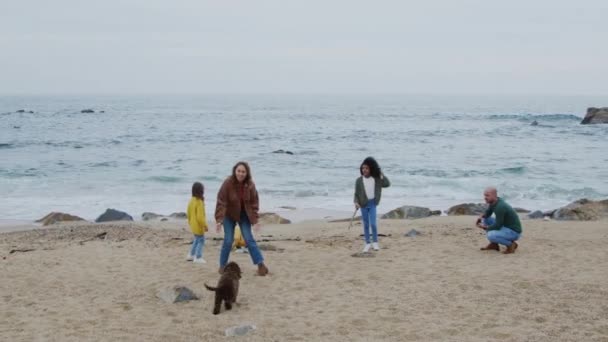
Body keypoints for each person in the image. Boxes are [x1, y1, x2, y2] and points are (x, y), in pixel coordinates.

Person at [215, 161, 269, 276]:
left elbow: (254, 203)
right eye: (239, 171)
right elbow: (221, 201)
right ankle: (222, 266)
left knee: (249, 239)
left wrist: (255, 221)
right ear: (235, 171)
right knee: (228, 240)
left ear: (247, 173)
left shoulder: (250, 184)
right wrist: (219, 220)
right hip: (229, 215)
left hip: (244, 215)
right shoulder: (228, 183)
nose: (240, 174)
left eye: (243, 172)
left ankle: (261, 266)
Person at [353, 157, 391, 252]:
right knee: (366, 225)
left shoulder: (376, 179)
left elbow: (387, 184)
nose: (364, 170)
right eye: (363, 168)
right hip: (363, 204)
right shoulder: (358, 180)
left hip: (373, 203)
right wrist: (356, 202)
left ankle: (375, 242)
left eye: (366, 168)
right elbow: (356, 194)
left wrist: (381, 174)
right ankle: (367, 243)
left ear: (371, 169)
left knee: (373, 224)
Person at [476, 187, 523, 254]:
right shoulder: (494, 202)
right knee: (486, 219)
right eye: (484, 195)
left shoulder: (500, 206)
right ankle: (494, 244)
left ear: (494, 195)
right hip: (505, 226)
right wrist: (480, 218)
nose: (485, 197)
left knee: (490, 235)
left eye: (487, 195)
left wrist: (485, 227)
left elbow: (498, 225)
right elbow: (487, 214)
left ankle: (510, 245)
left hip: (514, 232)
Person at [186, 182, 208, 263]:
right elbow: (200, 217)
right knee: (201, 240)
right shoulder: (199, 202)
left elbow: (188, 212)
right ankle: (198, 257)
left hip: (192, 224)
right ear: (201, 191)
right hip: (198, 226)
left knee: (196, 239)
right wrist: (205, 225)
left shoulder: (191, 200)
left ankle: (191, 255)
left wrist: (190, 222)